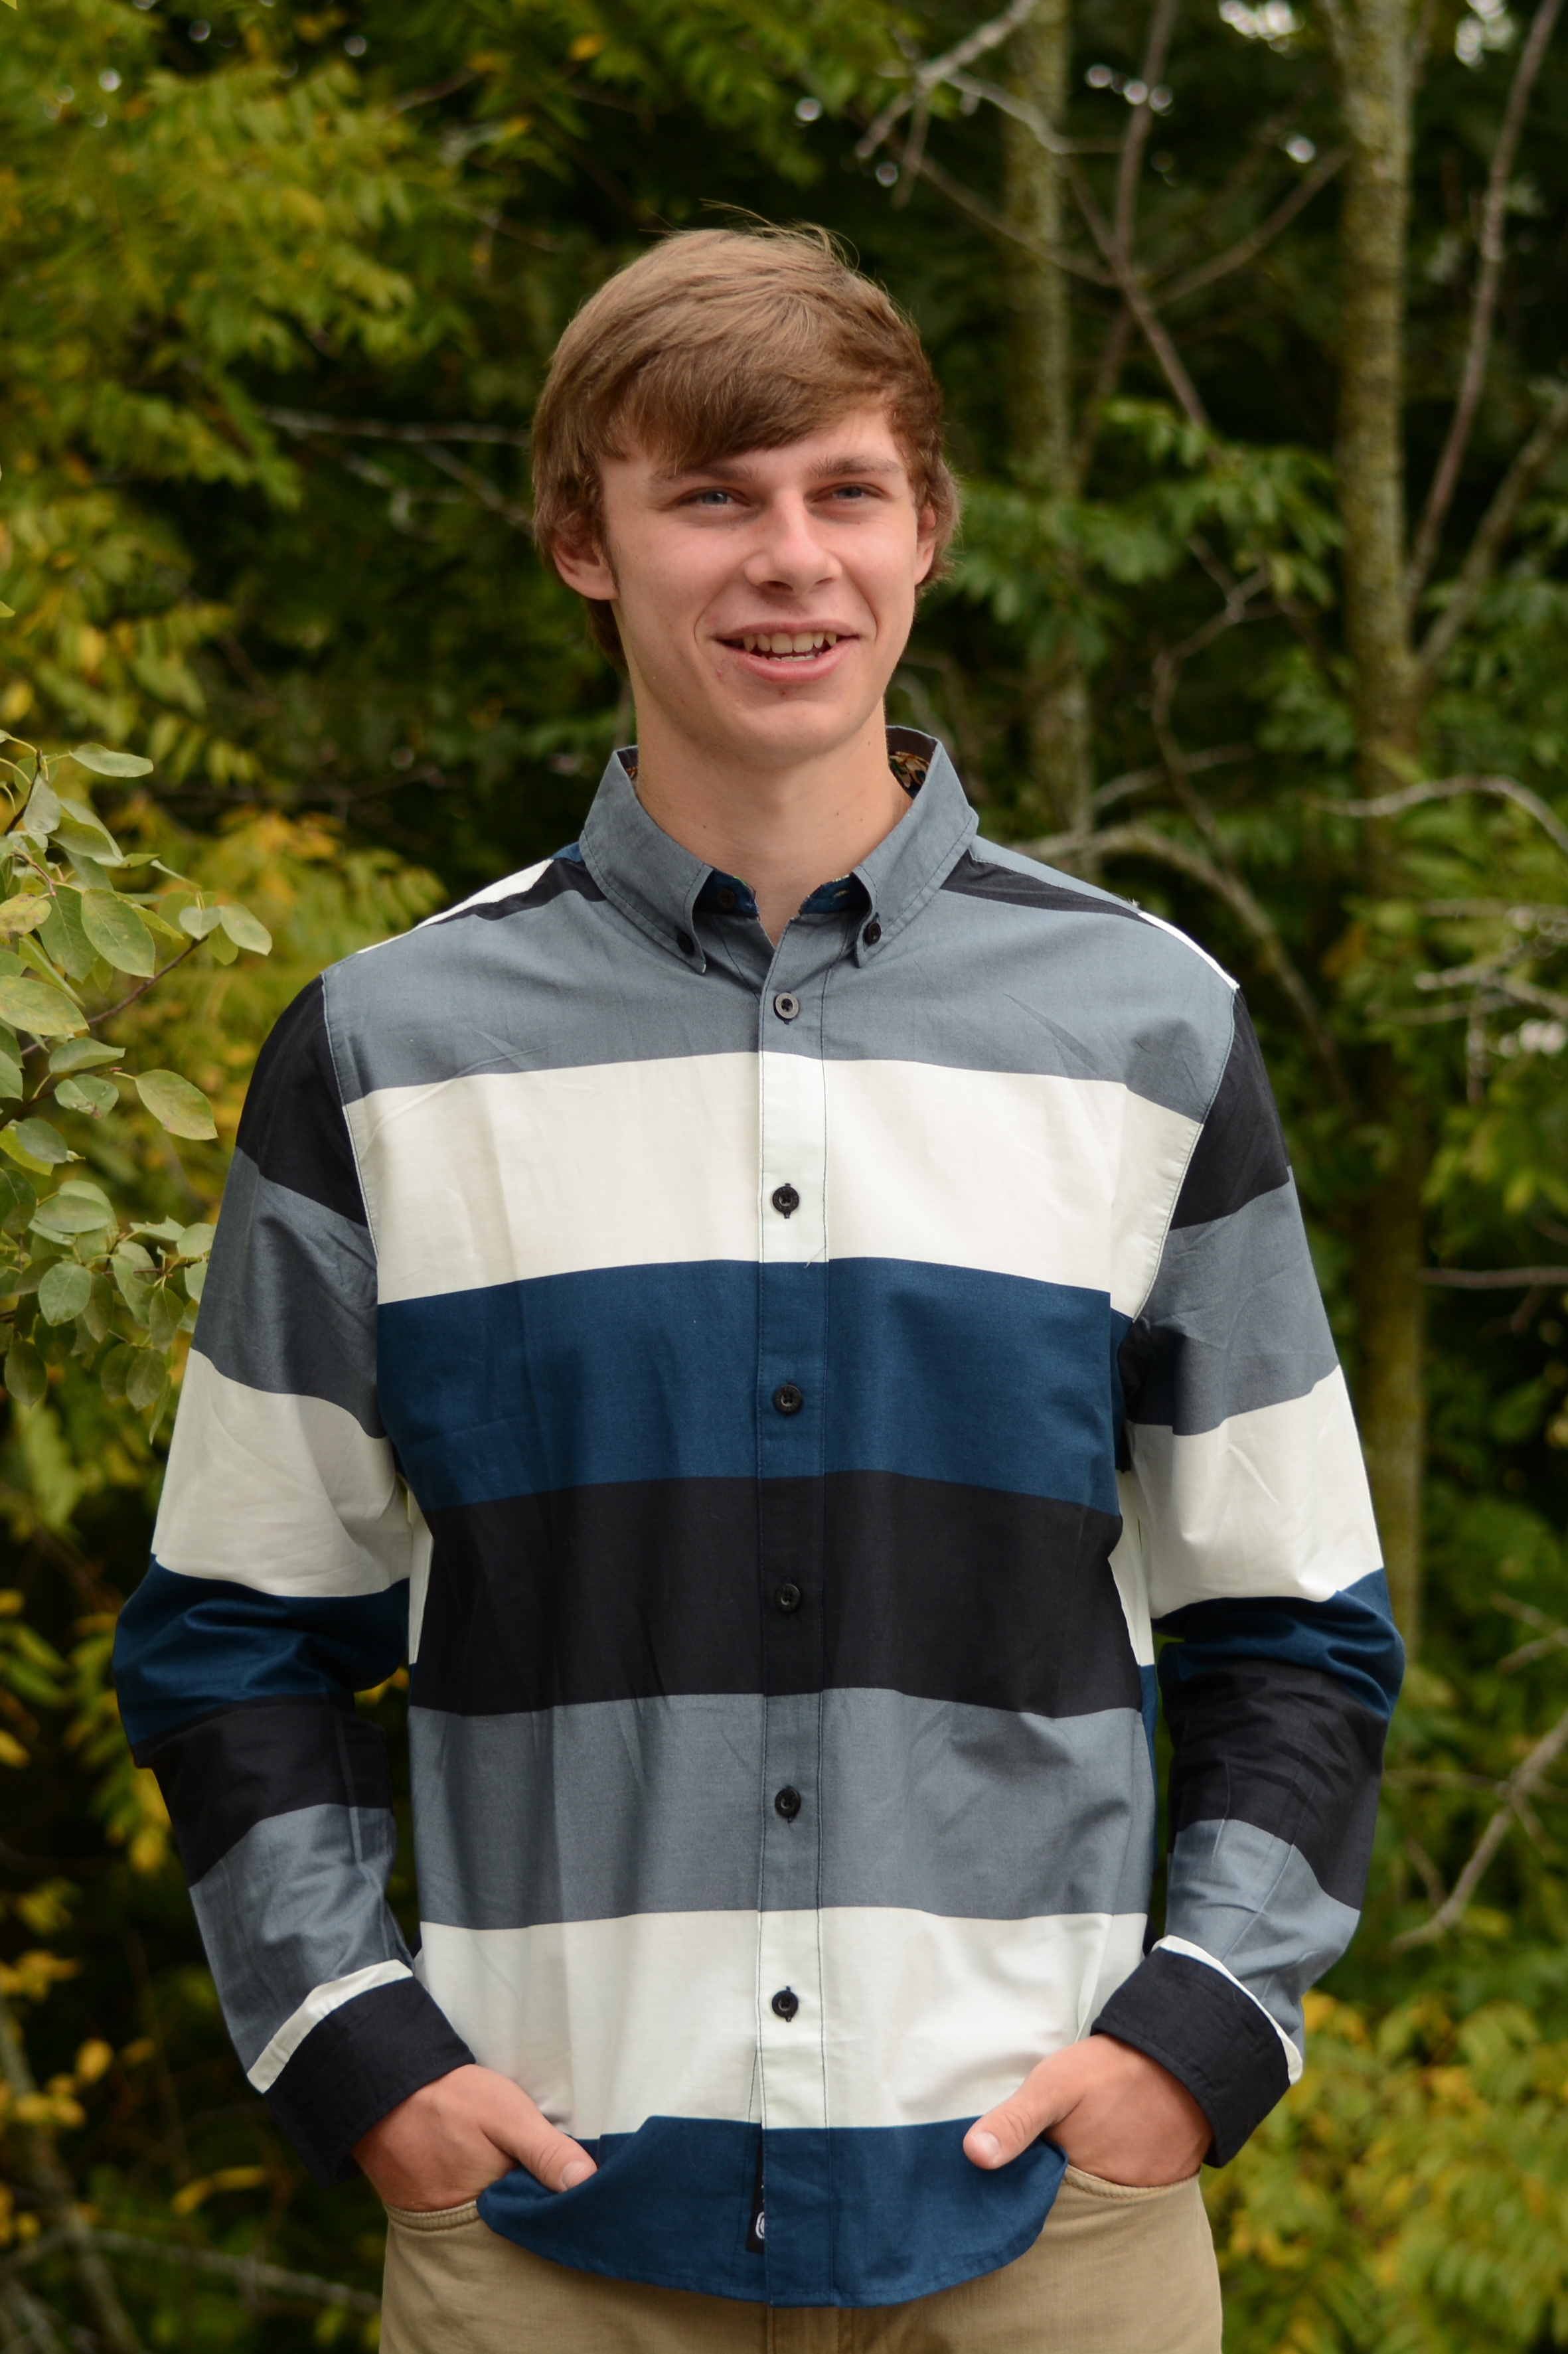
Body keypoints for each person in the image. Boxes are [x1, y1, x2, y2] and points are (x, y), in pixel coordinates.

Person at [113, 227, 1403, 2353]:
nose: (788, 559)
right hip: (545, 2223)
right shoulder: (387, 1050)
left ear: (926, 528)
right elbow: (238, 1627)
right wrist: (359, 2048)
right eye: (710, 495)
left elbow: (1293, 1620)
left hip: (1046, 2232)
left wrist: (1193, 2038)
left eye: (842, 490)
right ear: (582, 541)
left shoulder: (1150, 1030)